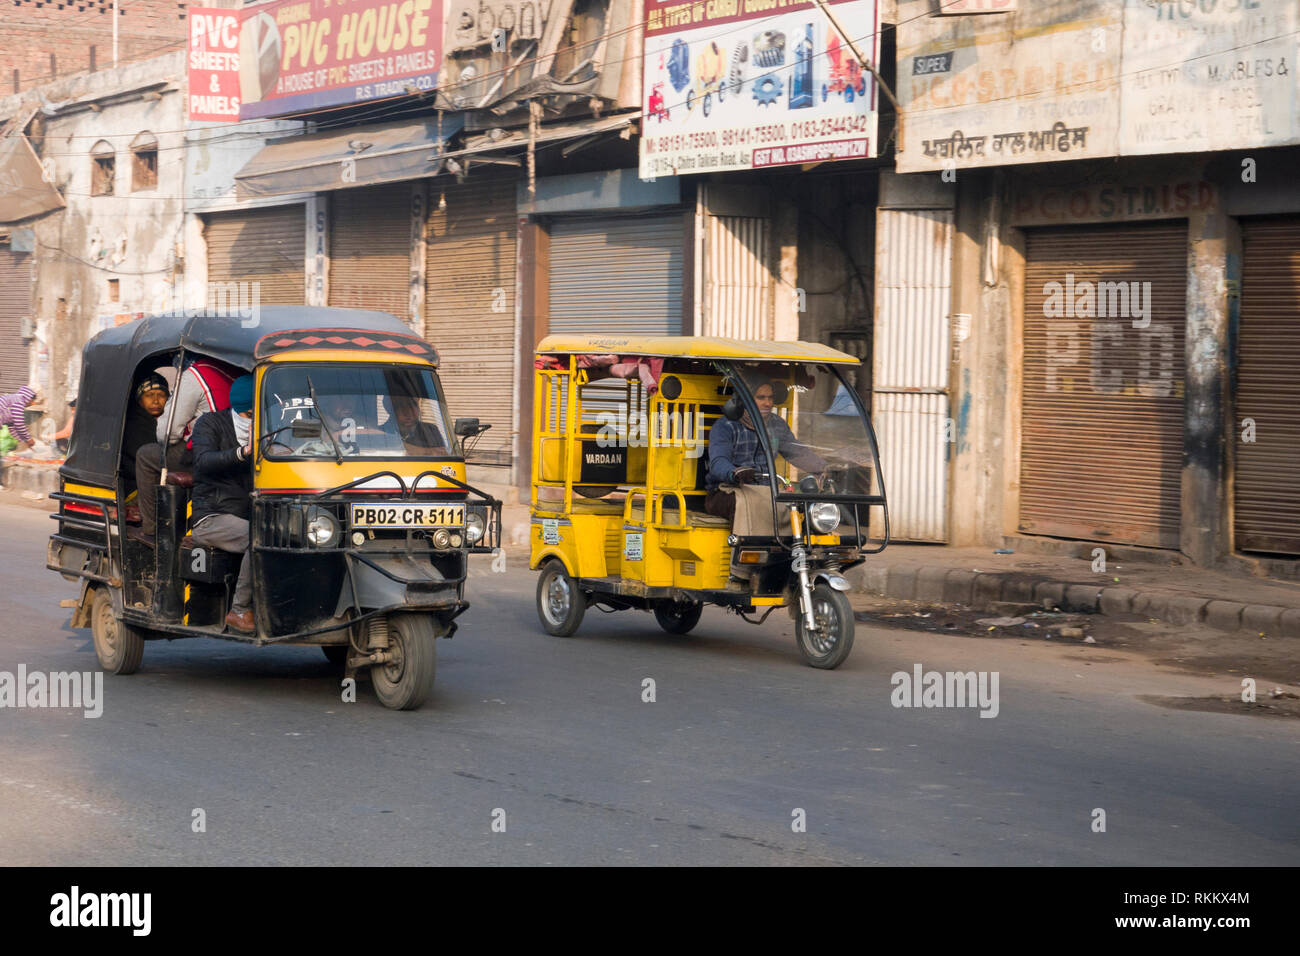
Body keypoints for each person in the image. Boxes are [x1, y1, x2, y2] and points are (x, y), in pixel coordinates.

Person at [135, 357, 236, 542]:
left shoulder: (195, 376)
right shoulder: (231, 369)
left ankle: (150, 530)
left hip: (207, 456)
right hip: (234, 453)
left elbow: (169, 433)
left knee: (145, 455)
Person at [704, 379, 826, 522]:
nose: (768, 403)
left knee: (800, 509)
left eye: (770, 397)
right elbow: (718, 461)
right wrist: (734, 473)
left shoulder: (777, 424)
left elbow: (796, 452)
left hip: (767, 491)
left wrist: (823, 467)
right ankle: (742, 544)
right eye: (761, 398)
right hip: (727, 491)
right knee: (749, 506)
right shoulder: (725, 426)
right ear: (744, 399)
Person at [189, 375, 256, 635]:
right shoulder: (209, 423)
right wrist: (243, 453)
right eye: (251, 414)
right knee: (258, 538)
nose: (253, 420)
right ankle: (239, 610)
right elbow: (204, 460)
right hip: (211, 518)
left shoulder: (264, 431)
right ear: (241, 410)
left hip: (249, 514)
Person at [121, 374, 170, 490]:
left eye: (161, 395)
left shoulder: (168, 420)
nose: (156, 401)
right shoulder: (135, 424)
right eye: (149, 395)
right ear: (140, 400)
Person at [0, 386, 39, 455]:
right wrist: (29, 439)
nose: (32, 403)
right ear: (28, 398)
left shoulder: (15, 400)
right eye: (32, 401)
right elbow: (19, 424)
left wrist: (23, 442)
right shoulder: (18, 401)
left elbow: (12, 427)